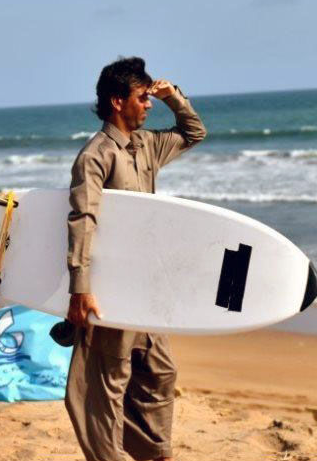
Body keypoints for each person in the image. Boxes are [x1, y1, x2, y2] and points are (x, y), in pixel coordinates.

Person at [64, 56, 207, 461]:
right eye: (142, 98)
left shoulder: (146, 146)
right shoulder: (95, 156)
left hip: (145, 287)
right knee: (107, 384)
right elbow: (82, 218)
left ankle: (150, 453)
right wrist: (80, 287)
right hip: (109, 288)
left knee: (160, 372)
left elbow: (194, 132)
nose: (149, 105)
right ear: (116, 101)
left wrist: (174, 98)